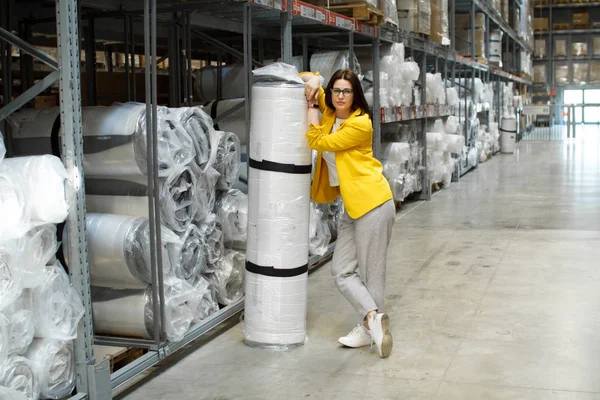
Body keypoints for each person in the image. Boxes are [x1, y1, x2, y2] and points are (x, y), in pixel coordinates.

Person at [300, 69, 395, 358]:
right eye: (336, 90)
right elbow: (303, 76)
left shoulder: (360, 124)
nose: (340, 96)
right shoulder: (332, 111)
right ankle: (372, 319)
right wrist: (315, 79)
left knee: (371, 273)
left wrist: (313, 105)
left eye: (347, 91)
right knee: (341, 271)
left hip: (373, 203)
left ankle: (370, 330)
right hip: (352, 205)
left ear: (356, 95)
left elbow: (317, 142)